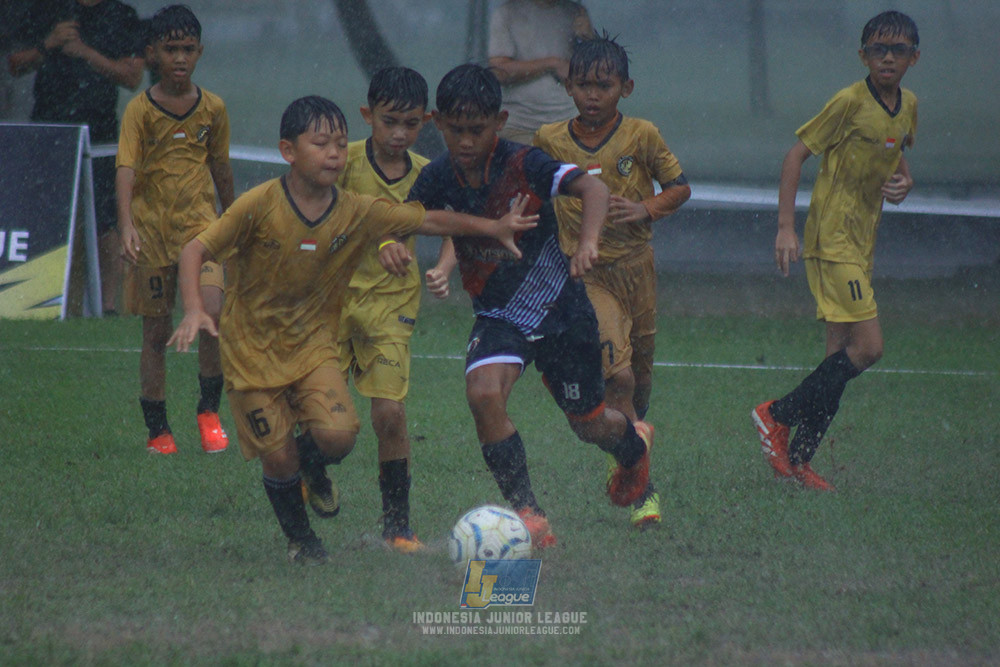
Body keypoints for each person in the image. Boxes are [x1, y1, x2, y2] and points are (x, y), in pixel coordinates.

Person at [166, 95, 538, 564]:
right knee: (277, 457)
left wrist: (492, 226)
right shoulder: (257, 205)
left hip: (314, 347)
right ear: (288, 151)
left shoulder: (355, 208)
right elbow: (195, 250)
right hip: (251, 352)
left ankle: (314, 470)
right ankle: (303, 542)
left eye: (341, 144)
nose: (334, 154)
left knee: (339, 436)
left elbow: (428, 219)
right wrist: (195, 309)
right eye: (320, 143)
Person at [408, 63, 655, 548]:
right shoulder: (437, 176)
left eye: (477, 130)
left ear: (498, 123)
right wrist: (394, 247)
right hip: (499, 318)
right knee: (482, 394)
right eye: (455, 130)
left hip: (562, 311)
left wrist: (587, 242)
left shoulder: (525, 163)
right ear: (437, 123)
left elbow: (594, 188)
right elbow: (405, 218)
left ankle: (633, 448)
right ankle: (529, 513)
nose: (465, 141)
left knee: (589, 424)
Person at [752, 11, 919, 491]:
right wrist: (786, 227)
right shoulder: (848, 101)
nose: (888, 57)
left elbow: (895, 149)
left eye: (899, 50)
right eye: (878, 49)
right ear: (862, 55)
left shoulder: (907, 104)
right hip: (832, 240)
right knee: (869, 348)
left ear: (914, 58)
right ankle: (774, 415)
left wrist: (906, 179)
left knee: (836, 360)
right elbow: (795, 155)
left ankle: (800, 463)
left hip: (863, 240)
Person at [534, 33, 690, 529]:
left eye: (604, 85)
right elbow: (530, 194)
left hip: (637, 271)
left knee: (639, 385)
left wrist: (646, 207)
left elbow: (681, 188)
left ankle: (626, 453)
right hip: (586, 274)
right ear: (569, 87)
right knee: (616, 377)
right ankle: (644, 492)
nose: (593, 95)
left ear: (626, 87)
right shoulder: (549, 140)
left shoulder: (641, 135)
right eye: (583, 85)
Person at [115, 5, 233, 455]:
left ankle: (208, 412)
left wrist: (235, 221)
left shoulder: (214, 109)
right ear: (152, 54)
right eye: (171, 49)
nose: (180, 58)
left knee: (213, 313)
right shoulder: (139, 111)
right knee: (156, 333)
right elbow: (126, 168)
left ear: (199, 52)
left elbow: (221, 169)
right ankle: (158, 430)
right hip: (151, 236)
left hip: (202, 233)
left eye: (187, 49)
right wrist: (126, 224)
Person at [335, 66, 432, 554]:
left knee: (390, 416)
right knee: (328, 423)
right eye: (389, 121)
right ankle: (309, 465)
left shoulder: (426, 173)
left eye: (411, 124)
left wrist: (446, 267)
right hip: (329, 301)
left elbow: (447, 223)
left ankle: (398, 524)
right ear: (367, 115)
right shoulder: (341, 162)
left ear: (425, 121)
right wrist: (375, 240)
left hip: (391, 305)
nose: (399, 134)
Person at [7, 0, 146, 316]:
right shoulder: (45, 10)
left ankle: (106, 305)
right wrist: (48, 44)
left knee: (105, 220)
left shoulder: (121, 15)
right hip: (49, 130)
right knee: (48, 217)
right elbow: (15, 63)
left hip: (100, 131)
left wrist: (87, 53)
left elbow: (131, 76)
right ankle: (48, 301)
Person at [487, 0, 594, 144]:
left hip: (570, 125)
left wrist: (588, 37)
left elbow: (597, 73)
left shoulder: (577, 13)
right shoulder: (507, 13)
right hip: (519, 126)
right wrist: (551, 63)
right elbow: (499, 71)